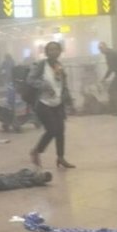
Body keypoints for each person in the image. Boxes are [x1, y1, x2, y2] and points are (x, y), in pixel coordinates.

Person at [26, 41, 75, 169]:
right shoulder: (41, 65)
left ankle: (60, 157)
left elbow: (63, 85)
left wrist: (68, 101)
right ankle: (36, 151)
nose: (54, 52)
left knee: (60, 131)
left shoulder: (59, 66)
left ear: (60, 51)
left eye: (56, 49)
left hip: (58, 103)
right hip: (44, 103)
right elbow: (30, 79)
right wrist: (43, 86)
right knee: (52, 130)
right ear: (46, 52)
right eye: (51, 49)